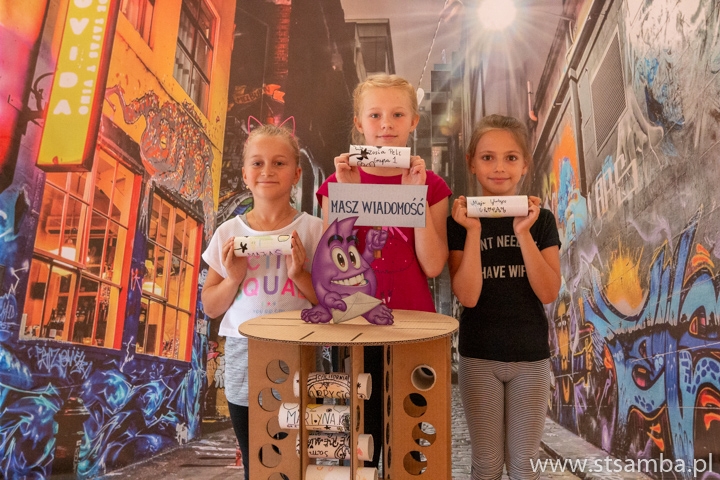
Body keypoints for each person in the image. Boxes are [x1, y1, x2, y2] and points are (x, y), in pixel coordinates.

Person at [316, 74, 451, 470]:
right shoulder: (335, 183)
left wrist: (416, 197)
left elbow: (433, 264)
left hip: (414, 325)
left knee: (411, 438)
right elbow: (331, 268)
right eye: (375, 115)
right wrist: (346, 194)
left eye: (397, 114)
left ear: (414, 121)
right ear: (359, 123)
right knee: (362, 435)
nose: (386, 124)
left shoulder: (432, 185)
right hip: (356, 325)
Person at [201, 124, 323, 480]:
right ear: (244, 173)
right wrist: (233, 278)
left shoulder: (314, 230)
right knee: (257, 459)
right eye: (257, 163)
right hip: (244, 352)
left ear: (296, 173)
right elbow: (211, 306)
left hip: (299, 350)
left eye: (279, 163)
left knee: (296, 457)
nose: (267, 170)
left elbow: (331, 306)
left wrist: (299, 274)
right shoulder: (228, 233)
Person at [447, 114, 561, 479]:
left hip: (531, 356)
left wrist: (523, 232)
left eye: (511, 158)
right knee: (486, 463)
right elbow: (468, 296)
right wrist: (473, 232)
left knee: (525, 463)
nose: (499, 167)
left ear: (525, 164)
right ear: (472, 162)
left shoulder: (542, 221)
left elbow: (548, 291)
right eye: (488, 157)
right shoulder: (459, 222)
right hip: (479, 355)